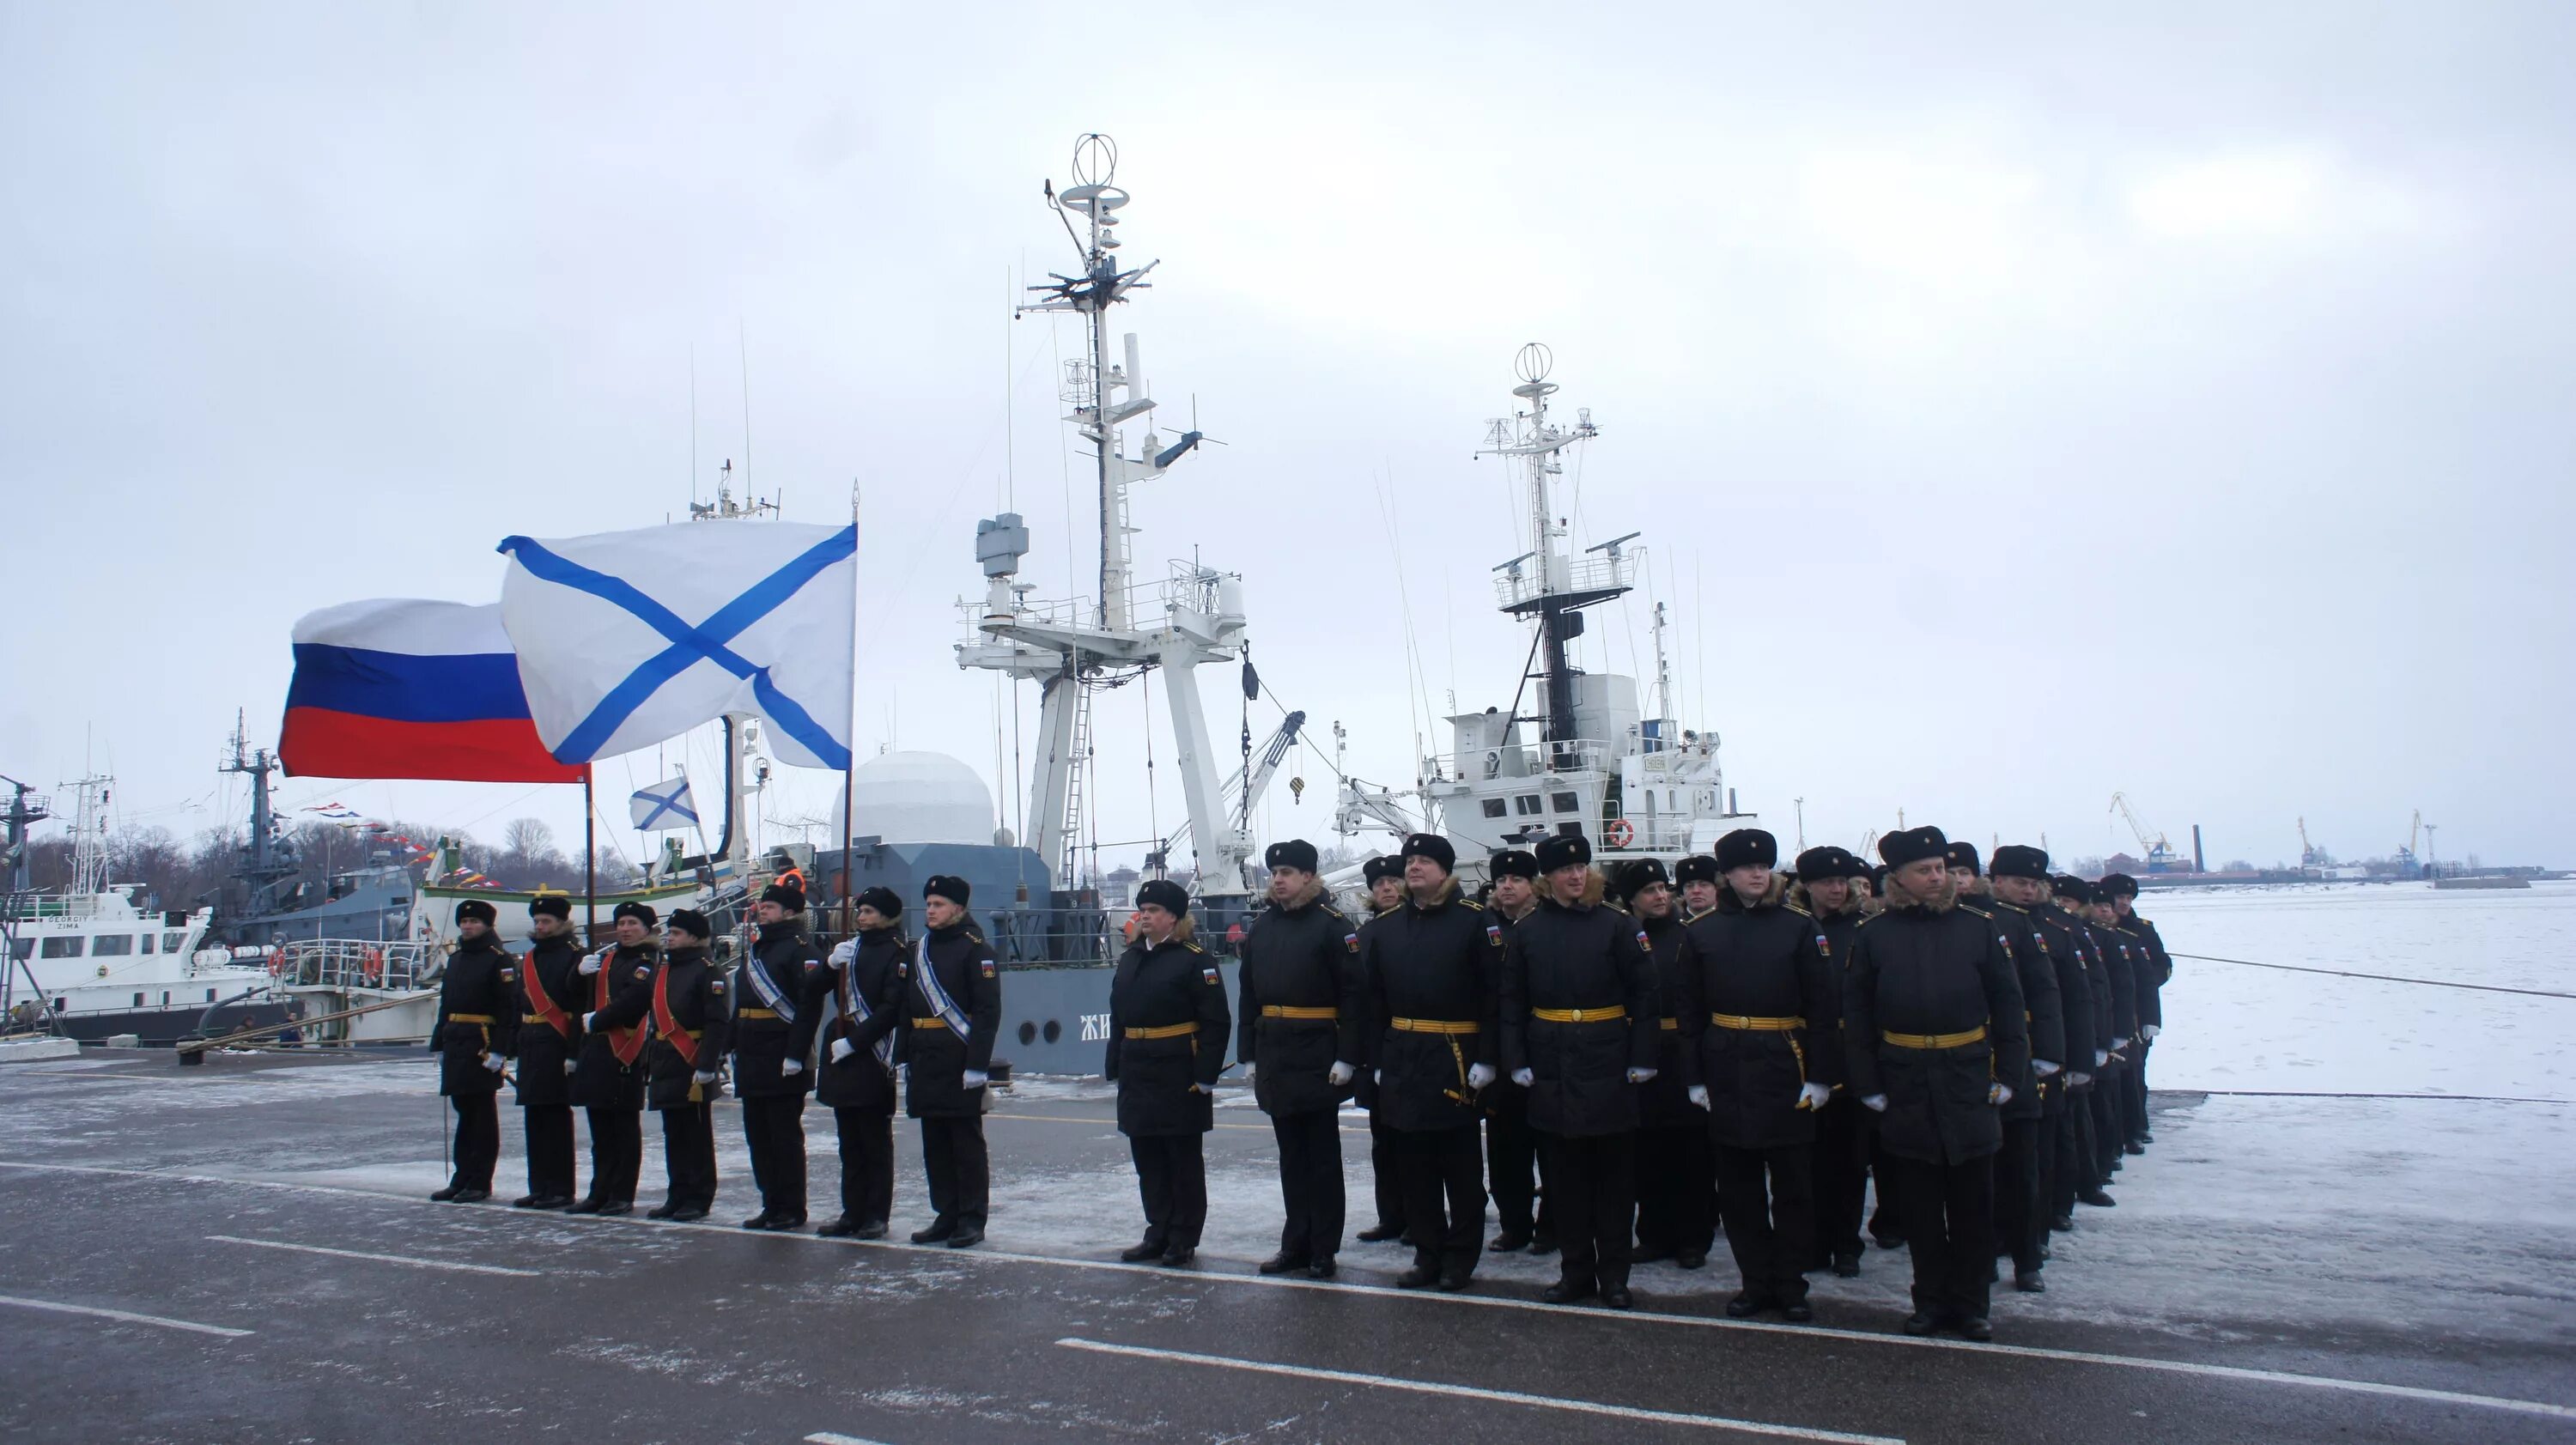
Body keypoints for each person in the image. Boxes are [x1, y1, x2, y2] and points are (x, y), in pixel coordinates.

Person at [1844, 826, 2028, 1340]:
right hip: (1904, 1080)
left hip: (1968, 1075)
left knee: (1973, 1202)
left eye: (1940, 869)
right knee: (1919, 1206)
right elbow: (1856, 1015)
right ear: (1898, 877)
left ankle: (1972, 1306)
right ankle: (1929, 1301)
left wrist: (2010, 1076)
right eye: (1923, 870)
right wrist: (1869, 1083)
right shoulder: (1874, 935)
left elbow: (2010, 1007)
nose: (1935, 877)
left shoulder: (1978, 928)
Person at [1676, 828, 1839, 1321]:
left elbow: (1823, 1008)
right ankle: (1754, 1282)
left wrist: (1821, 1076)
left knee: (1793, 1188)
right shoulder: (1701, 932)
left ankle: (1790, 1284)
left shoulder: (1800, 928)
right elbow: (1689, 1014)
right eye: (1745, 867)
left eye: (1763, 866)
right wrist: (1695, 1078)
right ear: (1726, 875)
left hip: (1785, 1062)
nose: (1756, 873)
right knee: (1739, 1191)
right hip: (1727, 1065)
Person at [1502, 834, 1658, 1309]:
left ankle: (1614, 1277)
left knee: (1614, 1182)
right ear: (1547, 878)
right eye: (1565, 870)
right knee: (1565, 1182)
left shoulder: (1619, 926)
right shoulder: (1527, 931)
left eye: (1581, 868)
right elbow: (1511, 1001)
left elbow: (1646, 997)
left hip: (1608, 1061)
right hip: (1552, 1066)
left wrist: (1643, 1058)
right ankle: (1575, 1273)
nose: (1575, 876)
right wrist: (1517, 1060)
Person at [1359, 832, 1503, 1292]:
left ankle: (1460, 1257)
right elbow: (1373, 1001)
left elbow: (1496, 998)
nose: (1414, 867)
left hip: (1456, 1058)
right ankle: (1427, 1253)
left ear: (1445, 871)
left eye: (1424, 861)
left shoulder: (1476, 923)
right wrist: (1377, 1058)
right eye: (1410, 861)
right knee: (1413, 1166)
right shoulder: (1384, 928)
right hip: (1403, 1057)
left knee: (1460, 1169)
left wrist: (1489, 1058)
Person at [1235, 840, 1366, 1278]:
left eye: (1287, 872)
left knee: (1322, 1159)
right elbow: (1249, 994)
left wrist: (1348, 1056)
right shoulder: (1263, 927)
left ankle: (1323, 1248)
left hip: (1317, 1053)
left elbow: (1353, 996)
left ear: (1308, 877)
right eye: (1275, 873)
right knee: (1291, 1157)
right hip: (1275, 1052)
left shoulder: (1333, 926)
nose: (1278, 880)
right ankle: (1296, 1242)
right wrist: (1249, 1055)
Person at [1950, 843, 2064, 1295]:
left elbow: (2046, 994)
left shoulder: (2015, 925)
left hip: (2014, 1060)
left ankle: (2027, 1255)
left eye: (1962, 871)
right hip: (1965, 1062)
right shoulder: (1946, 924)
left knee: (2021, 1168)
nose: (1955, 880)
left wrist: (2048, 1057)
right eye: (1947, 870)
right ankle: (1983, 1252)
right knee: (1977, 1172)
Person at [1105, 879, 1231, 1267]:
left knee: (1182, 1159)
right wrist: (1115, 1063)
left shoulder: (1195, 960)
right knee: (1147, 1156)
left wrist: (1206, 1074)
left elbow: (1216, 1022)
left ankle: (1183, 1236)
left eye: (1154, 910)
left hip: (1178, 1069)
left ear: (1174, 918)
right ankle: (1157, 1230)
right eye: (1143, 909)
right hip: (1138, 1067)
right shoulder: (1130, 959)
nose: (1145, 915)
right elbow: (1119, 1017)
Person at [589, 908, 732, 1222]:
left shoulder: (708, 970)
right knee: (674, 1134)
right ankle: (678, 1194)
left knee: (696, 1136)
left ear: (694, 937)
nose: (669, 938)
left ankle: (698, 1197)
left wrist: (708, 1064)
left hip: (691, 1060)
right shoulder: (666, 970)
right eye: (669, 933)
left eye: (676, 933)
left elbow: (718, 1022)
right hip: (666, 1060)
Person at [788, 887, 908, 1239]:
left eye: (869, 911)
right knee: (849, 1140)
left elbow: (890, 1008)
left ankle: (876, 1214)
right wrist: (829, 965)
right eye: (860, 910)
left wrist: (854, 1042)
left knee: (874, 1141)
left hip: (870, 1050)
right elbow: (810, 990)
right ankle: (852, 1211)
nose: (861, 917)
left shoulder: (896, 953)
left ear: (886, 916)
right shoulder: (849, 949)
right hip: (843, 1049)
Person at [1993, 848, 2093, 1249]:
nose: (2029, 891)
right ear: (1997, 881)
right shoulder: (1981, 924)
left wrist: (2078, 1060)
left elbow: (2078, 999)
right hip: (1996, 1054)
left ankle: (2035, 1235)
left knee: (2041, 1154)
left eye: (2035, 884)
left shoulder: (2059, 930)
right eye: (2020, 882)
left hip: (2045, 1055)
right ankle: (1999, 1235)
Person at [1624, 858, 1713, 1272]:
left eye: (1663, 888)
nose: (1660, 897)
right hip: (1639, 1052)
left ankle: (1694, 1237)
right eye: (1649, 891)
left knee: (1691, 1151)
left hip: (1682, 1049)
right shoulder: (1623, 937)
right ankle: (1654, 1233)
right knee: (1646, 1152)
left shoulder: (1688, 937)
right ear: (1633, 900)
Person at [903, 874, 1002, 1248]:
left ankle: (971, 1218)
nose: (930, 910)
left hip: (958, 1058)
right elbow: (905, 1006)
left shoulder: (975, 950)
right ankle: (945, 1213)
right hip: (925, 1056)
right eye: (929, 904)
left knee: (965, 1144)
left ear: (958, 909)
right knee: (935, 1144)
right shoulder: (919, 950)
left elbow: (987, 1011)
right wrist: (902, 1055)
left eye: (939, 905)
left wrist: (978, 1064)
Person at [1791, 845, 1871, 1277]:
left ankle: (1845, 1242)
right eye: (1827, 882)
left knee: (1850, 1160)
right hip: (1801, 1055)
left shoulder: (1865, 929)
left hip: (1849, 1057)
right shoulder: (1794, 928)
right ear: (1808, 886)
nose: (1837, 889)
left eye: (1842, 881)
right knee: (1805, 1160)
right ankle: (1813, 1241)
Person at [731, 881, 824, 1230]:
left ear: (789, 913)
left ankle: (791, 1207)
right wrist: (729, 1044)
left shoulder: (802, 950)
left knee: (783, 1136)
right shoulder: (756, 951)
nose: (761, 911)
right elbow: (741, 1006)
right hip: (752, 1054)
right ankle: (771, 1202)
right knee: (758, 1135)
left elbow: (808, 1006)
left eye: (768, 908)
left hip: (782, 1054)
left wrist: (796, 1054)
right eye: (762, 907)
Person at [1480, 847, 1555, 1256]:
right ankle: (1515, 1225)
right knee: (1506, 1151)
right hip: (1501, 1052)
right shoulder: (1484, 926)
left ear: (1533, 886)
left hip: (1544, 1048)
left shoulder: (1549, 925)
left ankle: (1551, 1227)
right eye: (1501, 881)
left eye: (1517, 880)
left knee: (1552, 1148)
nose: (1507, 887)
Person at [567, 902, 659, 1216]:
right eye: (621, 922)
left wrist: (598, 1019)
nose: (625, 928)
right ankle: (599, 1191)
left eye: (633, 922)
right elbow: (574, 995)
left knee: (623, 1129)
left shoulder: (647, 961)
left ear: (646, 929)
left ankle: (622, 1193)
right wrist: (578, 974)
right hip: (597, 1050)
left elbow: (635, 999)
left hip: (624, 1050)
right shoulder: (607, 959)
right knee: (600, 1129)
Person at [428, 899, 519, 1203]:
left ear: (487, 925)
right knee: (463, 1112)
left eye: (475, 922)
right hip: (455, 1041)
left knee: (481, 1116)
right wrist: (438, 1042)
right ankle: (462, 1177)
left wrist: (500, 1050)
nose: (468, 926)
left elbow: (508, 1008)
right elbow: (446, 1005)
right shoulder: (456, 959)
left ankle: (480, 1180)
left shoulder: (499, 960)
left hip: (481, 1043)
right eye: (464, 922)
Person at [2047, 877, 2121, 1211]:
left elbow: (2097, 991)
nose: (2063, 905)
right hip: (2048, 1036)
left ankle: (2088, 1182)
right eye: (2058, 898)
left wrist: (2100, 1041)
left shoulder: (2078, 934)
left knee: (2080, 1119)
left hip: (2077, 1035)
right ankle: (2057, 1201)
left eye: (2070, 901)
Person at [509, 894, 586, 1210]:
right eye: (537, 922)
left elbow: (579, 1006)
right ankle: (539, 1185)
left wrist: (573, 1052)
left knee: (555, 1119)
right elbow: (518, 1003)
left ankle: (560, 1187)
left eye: (546, 922)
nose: (540, 927)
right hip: (531, 1042)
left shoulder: (574, 956)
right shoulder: (531, 958)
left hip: (556, 1042)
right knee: (535, 1118)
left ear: (561, 923)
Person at [1352, 853, 1413, 1247]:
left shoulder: (1419, 928)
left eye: (1393, 881)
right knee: (1383, 1142)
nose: (1386, 888)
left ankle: (1420, 1216)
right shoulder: (1364, 936)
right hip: (1375, 1051)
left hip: (1412, 1045)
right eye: (1379, 884)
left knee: (1419, 1144)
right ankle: (1391, 1216)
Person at [2100, 873, 2167, 1151]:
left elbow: (2163, 966)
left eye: (2129, 898)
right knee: (2114, 1075)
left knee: (2136, 1071)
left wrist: (2141, 981)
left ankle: (2138, 1125)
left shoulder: (2143, 929)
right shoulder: (2098, 930)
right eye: (2120, 898)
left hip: (2138, 1010)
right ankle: (2117, 1130)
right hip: (2109, 1010)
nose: (2125, 903)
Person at [1675, 855, 1722, 921]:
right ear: (1682, 891)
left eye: (1703, 885)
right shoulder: (1674, 928)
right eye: (1689, 886)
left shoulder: (1732, 923)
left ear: (1717, 888)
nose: (1696, 891)